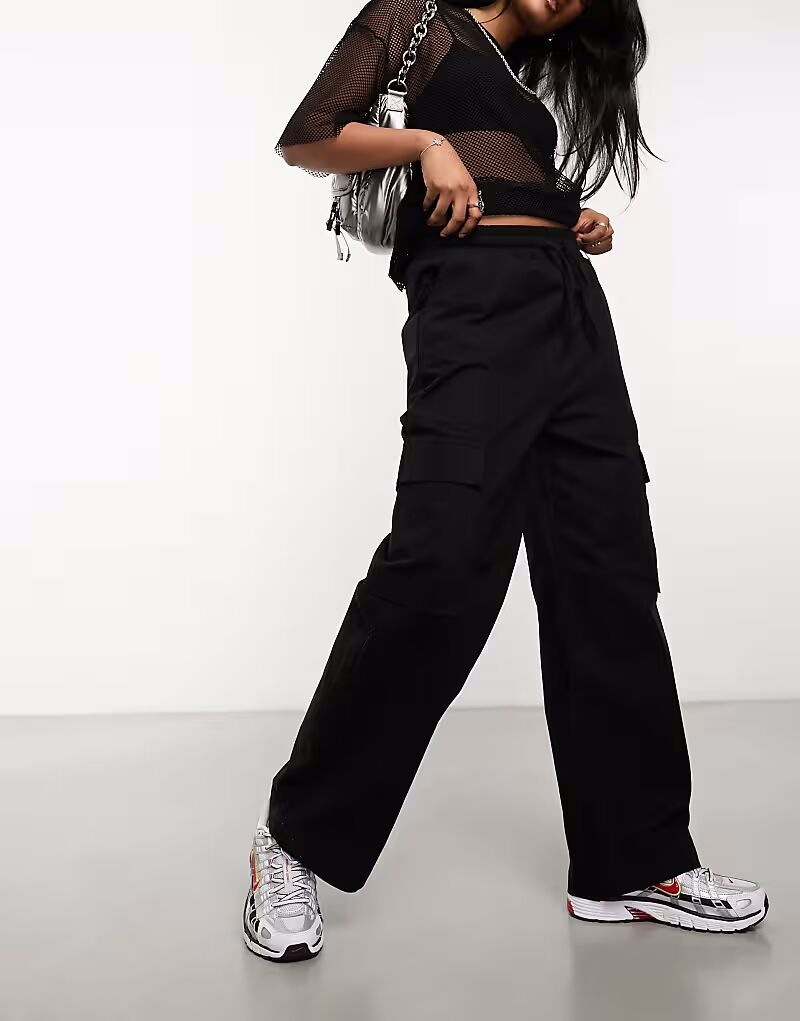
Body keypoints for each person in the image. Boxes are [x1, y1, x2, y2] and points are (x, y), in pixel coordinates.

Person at [242, 0, 768, 963]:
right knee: (439, 564)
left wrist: (568, 215)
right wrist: (425, 144)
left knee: (609, 574)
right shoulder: (419, 19)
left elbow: (506, 184)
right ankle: (295, 840)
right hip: (473, 304)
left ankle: (632, 861)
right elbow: (307, 136)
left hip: (568, 305)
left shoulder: (522, 96)